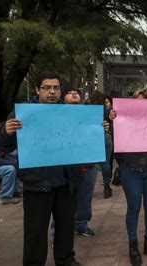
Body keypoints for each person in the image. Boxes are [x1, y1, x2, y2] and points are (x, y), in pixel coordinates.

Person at [0, 71, 82, 265]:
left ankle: (66, 260)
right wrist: (6, 132)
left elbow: (85, 138)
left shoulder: (70, 112)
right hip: (37, 186)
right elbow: (3, 146)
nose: (52, 92)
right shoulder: (24, 113)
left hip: (66, 183)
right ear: (37, 89)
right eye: (47, 88)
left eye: (56, 88)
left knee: (66, 228)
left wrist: (97, 129)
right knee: (35, 232)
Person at [116, 88, 147, 265]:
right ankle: (133, 244)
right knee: (134, 208)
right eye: (137, 101)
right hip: (132, 171)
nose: (140, 106)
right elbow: (114, 139)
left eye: (145, 102)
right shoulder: (122, 120)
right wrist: (112, 119)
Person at [63, 88, 98, 237]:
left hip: (88, 165)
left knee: (85, 198)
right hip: (65, 168)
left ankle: (81, 225)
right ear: (63, 98)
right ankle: (59, 231)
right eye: (70, 92)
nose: (74, 94)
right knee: (63, 202)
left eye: (76, 92)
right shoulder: (55, 116)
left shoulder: (90, 114)